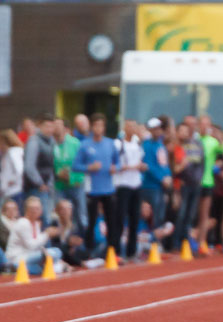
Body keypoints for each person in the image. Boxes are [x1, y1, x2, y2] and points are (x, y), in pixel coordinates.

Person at [72, 113, 120, 253]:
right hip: (92, 189)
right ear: (92, 127)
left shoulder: (110, 143)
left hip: (108, 188)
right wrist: (89, 168)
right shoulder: (84, 145)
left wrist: (114, 168)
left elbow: (117, 162)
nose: (99, 128)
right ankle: (89, 250)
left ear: (104, 128)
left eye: (101, 126)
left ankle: (112, 251)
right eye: (96, 125)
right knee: (91, 221)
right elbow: (75, 166)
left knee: (111, 221)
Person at [5, 196, 62, 276]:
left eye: (37, 208)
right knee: (52, 254)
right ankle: (16, 266)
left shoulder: (35, 224)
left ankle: (30, 268)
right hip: (18, 257)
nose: (35, 211)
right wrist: (47, 234)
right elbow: (31, 246)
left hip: (30, 255)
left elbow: (38, 245)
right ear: (27, 210)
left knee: (57, 251)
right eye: (32, 208)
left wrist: (44, 250)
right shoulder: (23, 223)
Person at [115, 119, 146, 259]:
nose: (132, 129)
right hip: (123, 185)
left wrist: (141, 167)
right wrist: (133, 167)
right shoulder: (118, 144)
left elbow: (140, 161)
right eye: (129, 126)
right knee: (120, 218)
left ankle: (131, 251)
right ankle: (116, 250)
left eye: (134, 126)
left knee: (135, 218)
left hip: (136, 184)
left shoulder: (137, 144)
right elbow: (116, 165)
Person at [196, 116, 223, 253]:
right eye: (202, 124)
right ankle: (188, 241)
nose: (204, 126)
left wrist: (218, 135)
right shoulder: (195, 140)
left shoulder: (212, 141)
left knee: (204, 214)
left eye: (206, 124)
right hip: (194, 181)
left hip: (207, 181)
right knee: (191, 213)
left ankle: (201, 242)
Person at [172, 122, 204, 249]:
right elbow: (174, 168)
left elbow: (202, 163)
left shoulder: (197, 144)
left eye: (186, 131)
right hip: (181, 185)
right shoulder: (176, 147)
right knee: (181, 213)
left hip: (195, 183)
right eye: (182, 131)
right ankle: (176, 242)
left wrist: (199, 179)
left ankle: (186, 242)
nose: (184, 133)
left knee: (190, 215)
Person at [22, 113, 56, 224]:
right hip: (35, 188)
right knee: (40, 219)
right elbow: (29, 167)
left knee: (47, 218)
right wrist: (40, 183)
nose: (50, 129)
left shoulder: (51, 141)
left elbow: (51, 166)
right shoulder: (34, 141)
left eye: (52, 126)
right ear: (39, 126)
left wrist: (49, 183)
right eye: (47, 126)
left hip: (47, 186)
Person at [141, 117, 172, 231]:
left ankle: (157, 240)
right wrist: (161, 179)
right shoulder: (146, 145)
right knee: (151, 215)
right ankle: (151, 240)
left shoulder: (160, 144)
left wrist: (168, 176)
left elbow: (164, 164)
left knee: (160, 214)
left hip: (160, 187)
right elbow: (148, 165)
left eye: (159, 128)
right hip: (150, 186)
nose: (158, 131)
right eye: (155, 129)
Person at [0, 130, 24, 208]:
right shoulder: (8, 153)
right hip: (9, 191)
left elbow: (19, 170)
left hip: (13, 191)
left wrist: (10, 181)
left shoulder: (13, 152)